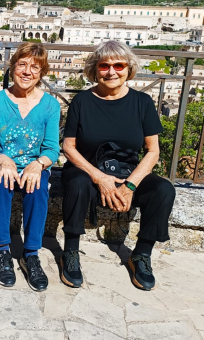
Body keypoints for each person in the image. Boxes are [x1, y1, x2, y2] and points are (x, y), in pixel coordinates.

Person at [61, 40, 176, 291]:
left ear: (128, 69)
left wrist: (131, 184)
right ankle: (70, 251)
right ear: (95, 69)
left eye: (118, 65)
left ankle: (141, 255)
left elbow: (152, 150)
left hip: (128, 172)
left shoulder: (142, 103)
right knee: (77, 184)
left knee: (163, 190)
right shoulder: (82, 101)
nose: (111, 71)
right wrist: (99, 177)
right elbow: (69, 146)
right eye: (104, 66)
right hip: (87, 170)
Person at [0, 42, 60, 292]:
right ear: (12, 68)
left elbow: (52, 149)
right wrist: (3, 159)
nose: (27, 72)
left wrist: (39, 164)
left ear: (42, 72)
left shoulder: (50, 105)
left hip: (33, 165)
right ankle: (2, 250)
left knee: (38, 190)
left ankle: (30, 254)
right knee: (1, 182)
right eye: (22, 65)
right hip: (0, 163)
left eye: (34, 67)